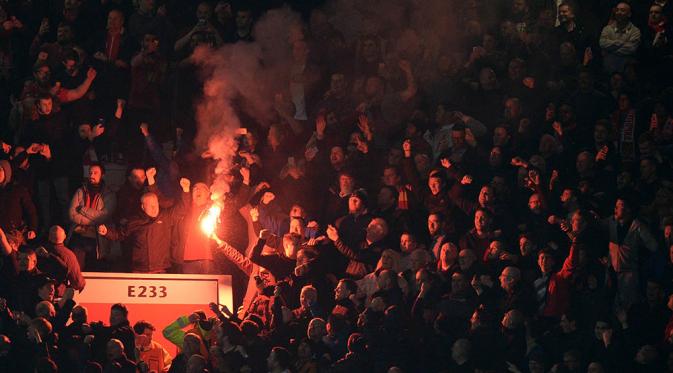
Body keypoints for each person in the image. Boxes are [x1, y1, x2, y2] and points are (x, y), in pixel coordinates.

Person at [97, 169, 189, 273]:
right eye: (151, 206)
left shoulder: (166, 217)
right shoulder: (134, 220)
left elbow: (182, 209)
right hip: (138, 269)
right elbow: (120, 234)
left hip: (160, 269)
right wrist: (107, 232)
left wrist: (186, 190)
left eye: (156, 205)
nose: (155, 208)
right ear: (143, 207)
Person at [68, 162, 115, 270]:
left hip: (97, 237)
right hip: (79, 234)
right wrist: (94, 218)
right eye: (90, 173)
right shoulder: (80, 191)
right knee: (76, 268)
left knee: (93, 268)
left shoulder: (109, 194)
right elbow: (72, 214)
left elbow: (103, 216)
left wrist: (82, 209)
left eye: (95, 173)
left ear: (102, 175)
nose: (92, 175)